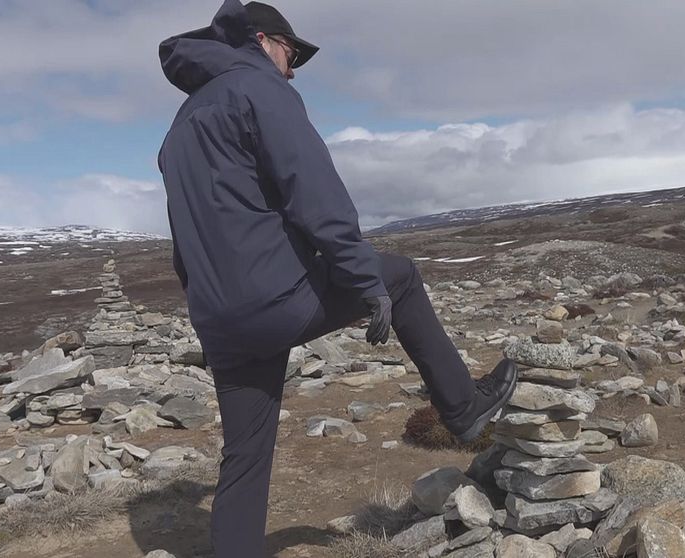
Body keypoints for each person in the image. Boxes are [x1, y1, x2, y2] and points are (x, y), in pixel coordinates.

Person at [157, 1, 518, 556]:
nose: (295, 65)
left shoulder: (180, 127)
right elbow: (313, 192)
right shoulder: (261, 91)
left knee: (246, 455)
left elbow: (187, 240)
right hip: (274, 298)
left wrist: (210, 307)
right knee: (399, 275)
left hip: (221, 317)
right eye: (291, 50)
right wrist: (363, 280)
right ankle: (463, 408)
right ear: (261, 41)